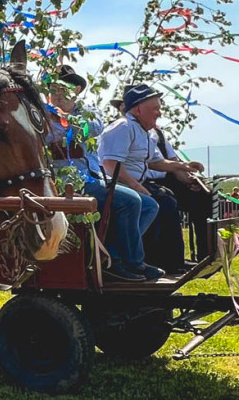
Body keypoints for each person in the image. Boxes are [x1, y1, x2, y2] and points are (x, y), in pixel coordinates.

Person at [47, 66, 161, 281]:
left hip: (94, 178)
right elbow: (45, 138)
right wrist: (55, 117)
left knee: (150, 205)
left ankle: (112, 257)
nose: (57, 94)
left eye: (63, 89)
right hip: (68, 183)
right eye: (53, 88)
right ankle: (130, 263)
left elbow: (91, 129)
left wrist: (63, 117)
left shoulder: (89, 112)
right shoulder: (43, 115)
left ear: (77, 90)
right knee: (131, 201)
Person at [97, 84, 196, 274]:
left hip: (134, 184)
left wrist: (185, 167)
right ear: (138, 109)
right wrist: (135, 186)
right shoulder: (123, 127)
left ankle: (134, 259)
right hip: (115, 185)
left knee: (163, 201)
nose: (159, 113)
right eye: (155, 109)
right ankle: (121, 259)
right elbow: (110, 164)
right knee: (156, 203)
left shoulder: (144, 132)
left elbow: (155, 162)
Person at [144, 127, 212, 260]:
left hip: (167, 178)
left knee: (203, 196)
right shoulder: (126, 131)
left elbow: (173, 161)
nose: (158, 113)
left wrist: (188, 179)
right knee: (167, 199)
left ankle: (206, 254)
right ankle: (173, 259)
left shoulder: (157, 133)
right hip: (143, 180)